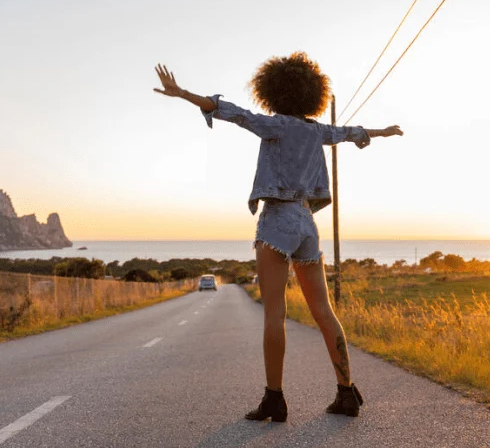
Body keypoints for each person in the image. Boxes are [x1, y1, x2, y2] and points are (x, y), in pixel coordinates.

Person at [154, 53, 403, 422]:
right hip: (307, 223)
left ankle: (275, 400)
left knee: (275, 314)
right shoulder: (317, 131)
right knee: (324, 312)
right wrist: (383, 132)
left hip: (277, 221)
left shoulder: (276, 126)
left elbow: (230, 112)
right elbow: (350, 133)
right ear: (311, 94)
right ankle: (347, 392)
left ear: (272, 91)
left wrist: (182, 93)